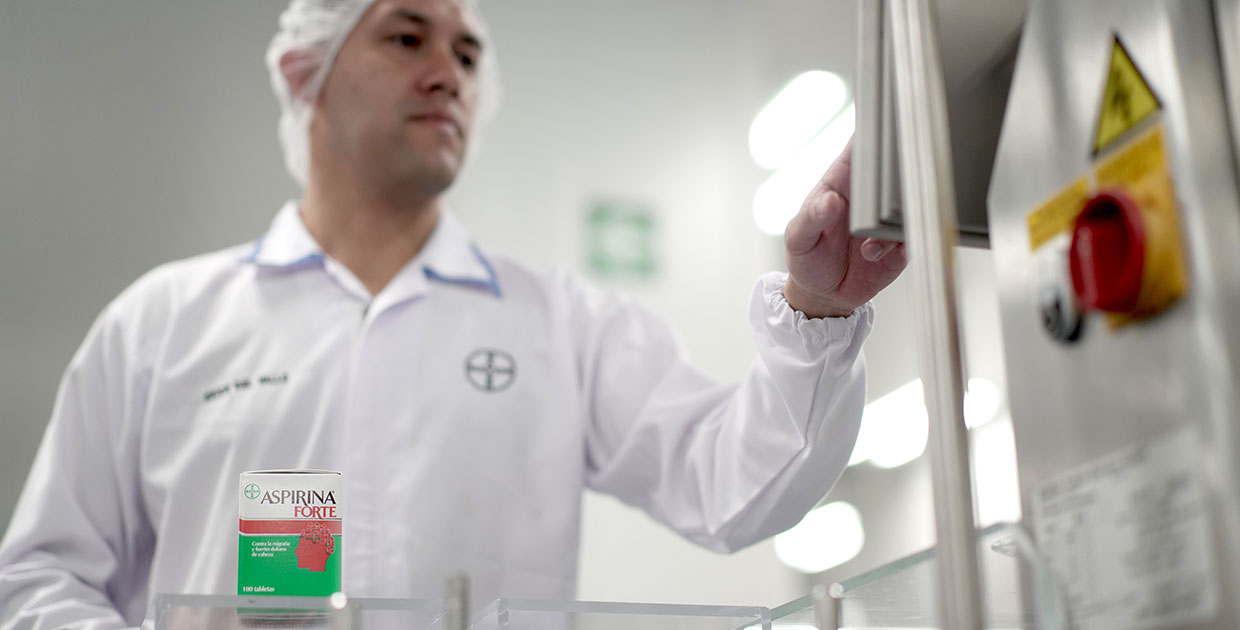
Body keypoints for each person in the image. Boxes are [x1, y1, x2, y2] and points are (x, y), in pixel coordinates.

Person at [0, 0, 907, 627]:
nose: (448, 74)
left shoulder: (561, 325)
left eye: (468, 55)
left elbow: (732, 486)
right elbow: (39, 577)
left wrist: (819, 308)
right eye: (406, 38)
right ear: (305, 73)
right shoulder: (162, 325)